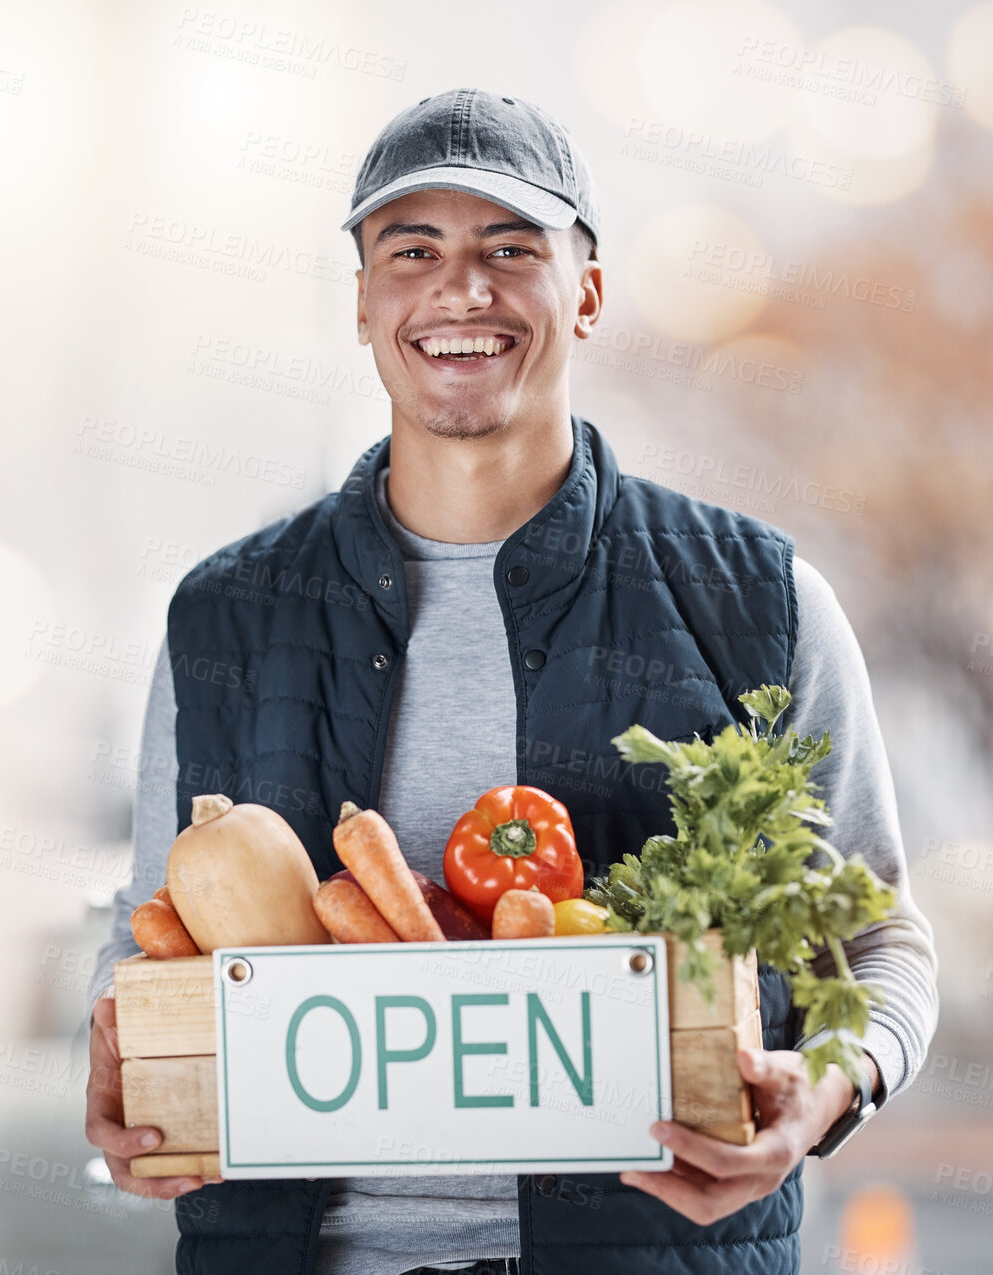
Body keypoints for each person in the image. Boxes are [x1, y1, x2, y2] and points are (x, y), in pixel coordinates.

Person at [84, 88, 937, 1275]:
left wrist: (829, 1089)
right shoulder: (225, 616)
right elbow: (140, 941)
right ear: (366, 304)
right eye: (413, 252)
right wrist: (122, 1064)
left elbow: (876, 932)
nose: (460, 291)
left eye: (509, 250)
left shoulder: (757, 598)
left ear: (585, 291)